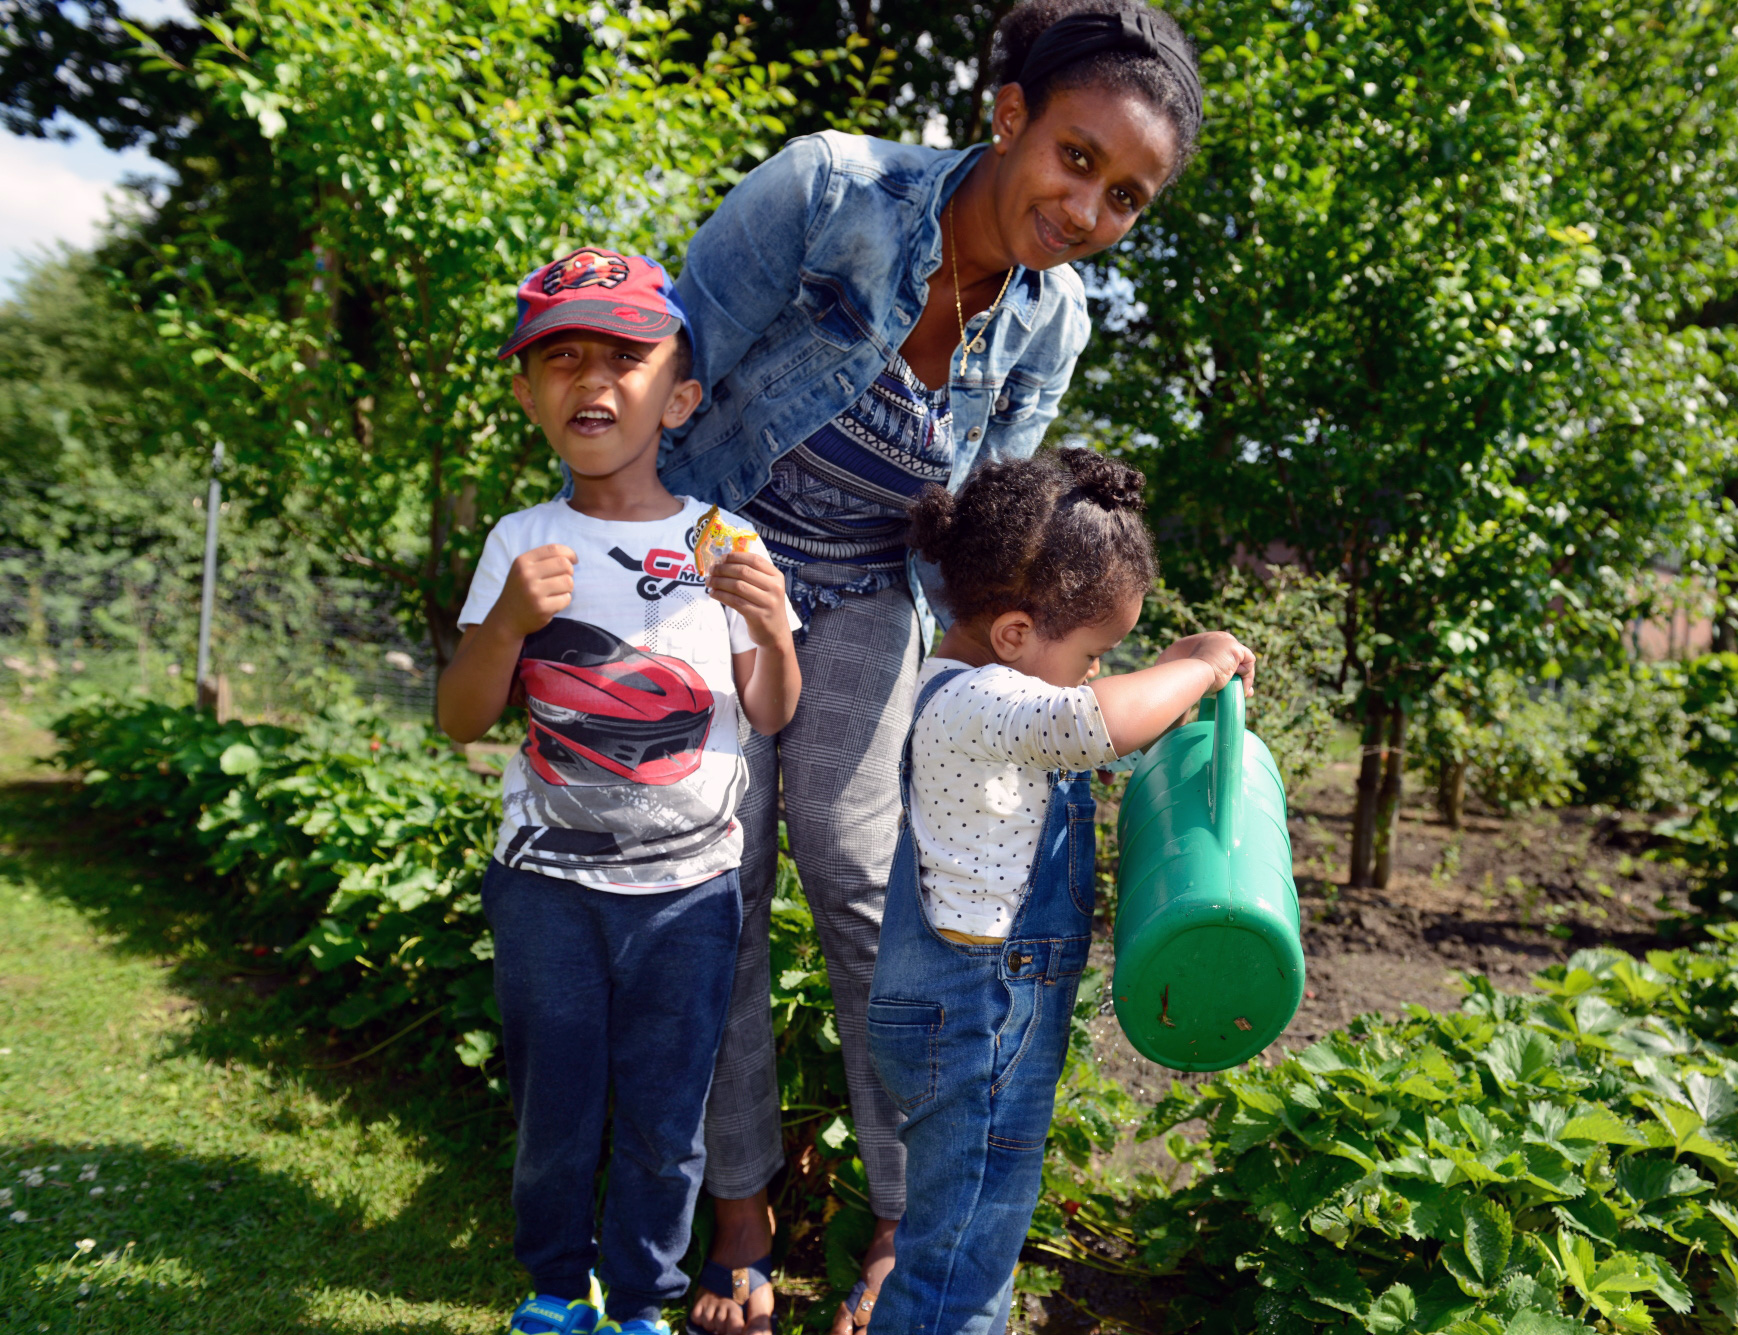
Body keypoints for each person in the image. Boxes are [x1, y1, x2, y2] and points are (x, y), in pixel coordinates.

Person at [665, 4, 1207, 1330]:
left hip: (865, 588)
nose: (1089, 210)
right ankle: (736, 1208)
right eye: (1078, 158)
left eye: (1127, 196)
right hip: (709, 555)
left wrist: (1004, 702)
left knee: (864, 866)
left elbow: (976, 531)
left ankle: (913, 1216)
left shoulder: (1053, 319)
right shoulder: (832, 188)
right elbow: (670, 367)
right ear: (1012, 115)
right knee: (713, 870)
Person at [437, 247, 803, 1335]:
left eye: (624, 359)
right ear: (526, 393)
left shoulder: (723, 541)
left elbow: (772, 709)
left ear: (678, 396)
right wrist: (505, 623)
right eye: (560, 360)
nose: (591, 383)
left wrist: (774, 624)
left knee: (662, 1116)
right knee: (554, 1106)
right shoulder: (520, 541)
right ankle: (555, 1287)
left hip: (692, 894)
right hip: (545, 887)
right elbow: (462, 717)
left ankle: (642, 1301)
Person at [867, 448, 1254, 1332]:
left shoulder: (989, 687)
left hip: (977, 1013)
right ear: (1013, 633)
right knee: (958, 1254)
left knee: (980, 1231)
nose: (1094, 672)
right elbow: (1090, 724)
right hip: (978, 1018)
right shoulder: (981, 702)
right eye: (1093, 652)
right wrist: (1197, 663)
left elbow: (1083, 711)